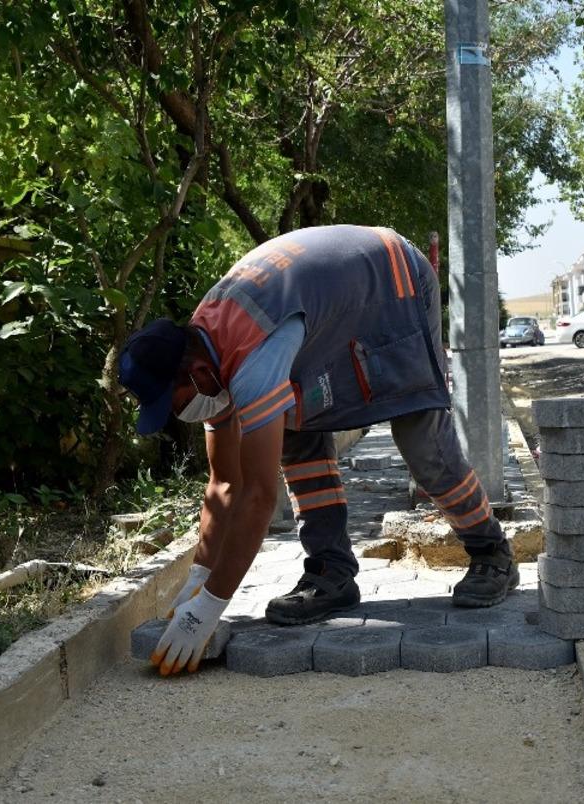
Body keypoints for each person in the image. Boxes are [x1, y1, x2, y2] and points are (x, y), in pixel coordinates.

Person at [118, 225, 517, 676]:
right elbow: (224, 483)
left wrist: (208, 609)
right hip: (326, 308)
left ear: (192, 373)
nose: (176, 415)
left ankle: (491, 552)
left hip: (393, 282)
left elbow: (257, 498)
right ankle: (331, 573)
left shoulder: (252, 357)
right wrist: (197, 579)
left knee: (422, 443)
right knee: (292, 426)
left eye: (171, 403)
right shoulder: (203, 353)